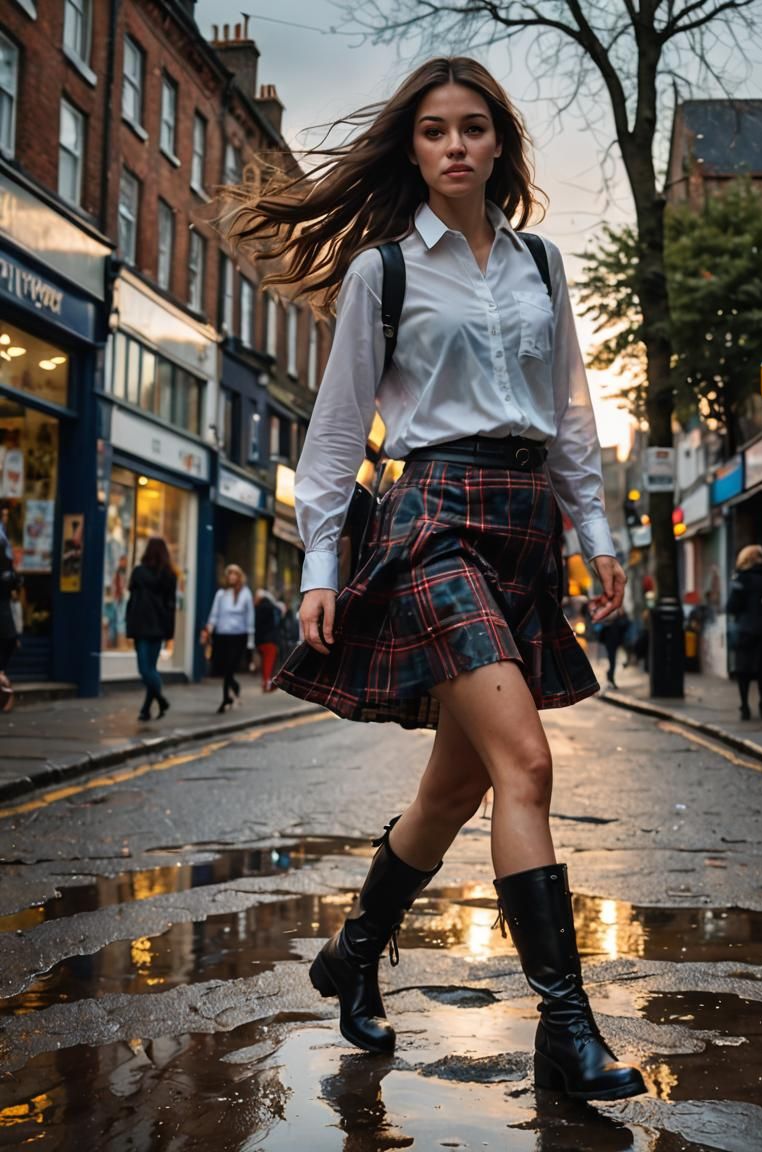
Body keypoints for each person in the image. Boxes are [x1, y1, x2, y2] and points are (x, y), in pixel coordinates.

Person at [228, 57, 644, 1102]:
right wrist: (320, 564)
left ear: (499, 143)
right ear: (412, 149)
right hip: (433, 522)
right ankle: (566, 1029)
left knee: (455, 789)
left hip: (524, 527)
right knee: (527, 763)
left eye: (472, 127)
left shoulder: (542, 264)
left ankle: (353, 952)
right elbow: (336, 434)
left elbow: (570, 416)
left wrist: (596, 537)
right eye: (432, 130)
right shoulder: (384, 272)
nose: (454, 144)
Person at [726, 545, 762, 720]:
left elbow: (731, 606)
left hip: (745, 631)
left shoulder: (741, 579)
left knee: (743, 671)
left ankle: (744, 706)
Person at [125, 536, 177, 722]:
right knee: (151, 669)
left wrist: (128, 622)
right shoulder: (169, 575)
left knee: (145, 670)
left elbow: (131, 599)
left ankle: (160, 700)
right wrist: (169, 631)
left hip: (141, 626)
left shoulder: (138, 573)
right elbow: (171, 605)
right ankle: (147, 709)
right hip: (158, 626)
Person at [202, 564, 254, 713]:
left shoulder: (246, 594)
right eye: (229, 574)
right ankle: (232, 689)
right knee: (225, 667)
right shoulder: (221, 594)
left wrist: (250, 641)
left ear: (239, 576)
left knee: (230, 666)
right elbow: (214, 614)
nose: (232, 576)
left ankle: (226, 698)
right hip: (222, 635)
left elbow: (250, 618)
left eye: (234, 574)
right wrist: (208, 629)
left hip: (239, 636)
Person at [0, 509, 21, 713]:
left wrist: (13, 581)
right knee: (9, 638)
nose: (6, 518)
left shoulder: (4, 538)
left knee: (10, 639)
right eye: (3, 515)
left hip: (4, 598)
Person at [254, 589, 282, 692]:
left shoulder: (257, 609)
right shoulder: (272, 608)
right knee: (269, 663)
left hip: (261, 640)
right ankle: (267, 684)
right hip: (271, 640)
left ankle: (265, 683)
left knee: (265, 663)